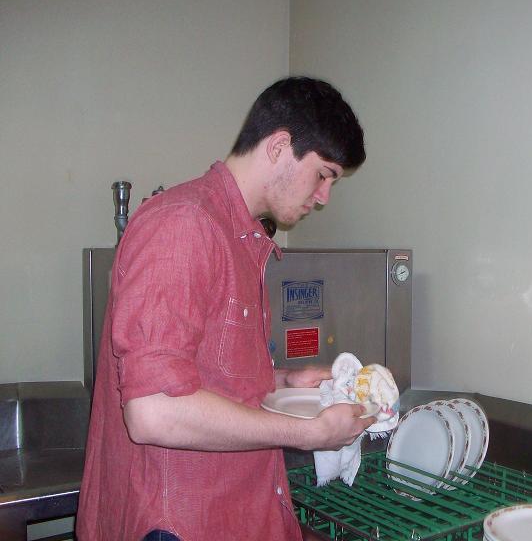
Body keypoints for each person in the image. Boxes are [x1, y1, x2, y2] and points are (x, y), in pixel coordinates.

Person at [76, 77, 374, 541]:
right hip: (179, 524)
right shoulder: (183, 224)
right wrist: (308, 434)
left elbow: (204, 377)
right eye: (323, 174)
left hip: (237, 513)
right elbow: (155, 410)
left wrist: (282, 382)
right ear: (279, 146)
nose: (324, 197)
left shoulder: (242, 239)